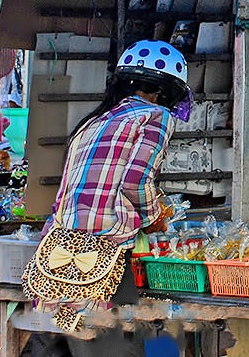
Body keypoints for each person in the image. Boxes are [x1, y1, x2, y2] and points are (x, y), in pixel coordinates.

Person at [23, 39, 191, 343]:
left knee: (57, 342)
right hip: (107, 249)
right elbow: (135, 182)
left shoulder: (94, 121)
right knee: (118, 342)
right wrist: (154, 218)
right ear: (163, 93)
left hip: (59, 246)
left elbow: (65, 195)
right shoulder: (157, 117)